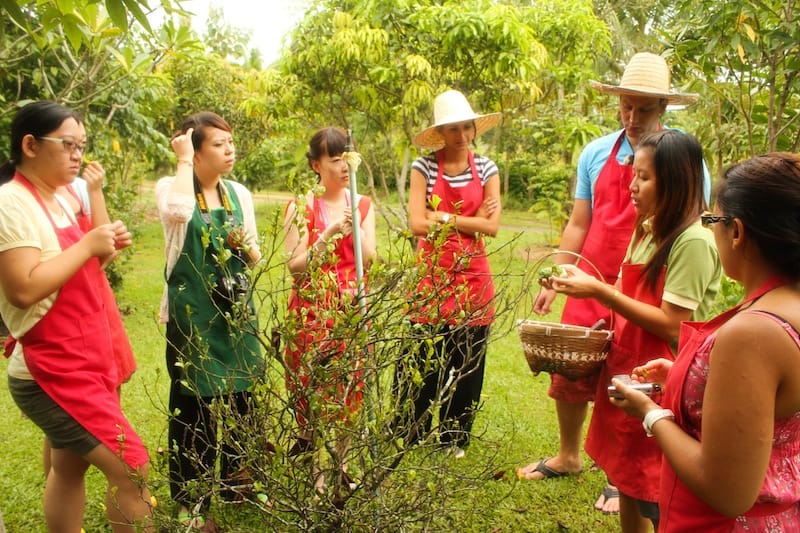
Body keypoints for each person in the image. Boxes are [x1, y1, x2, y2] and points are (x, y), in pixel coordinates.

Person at [520, 51, 708, 516]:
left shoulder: (683, 160)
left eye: (643, 108)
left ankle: (619, 477)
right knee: (571, 369)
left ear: (663, 107)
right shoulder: (596, 152)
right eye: (626, 106)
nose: (632, 117)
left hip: (649, 282)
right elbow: (580, 221)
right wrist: (561, 274)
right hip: (597, 272)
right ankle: (571, 455)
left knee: (632, 378)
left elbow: (692, 224)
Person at [540, 129, 721, 531]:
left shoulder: (693, 242)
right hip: (627, 373)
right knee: (627, 481)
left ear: (675, 181)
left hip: (661, 381)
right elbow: (625, 295)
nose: (631, 186)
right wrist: (592, 300)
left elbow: (673, 322)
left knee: (655, 489)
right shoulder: (646, 229)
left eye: (644, 178)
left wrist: (600, 292)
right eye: (632, 174)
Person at [612, 153, 800, 531]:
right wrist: (688, 378)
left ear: (737, 232)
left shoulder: (753, 333)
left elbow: (727, 491)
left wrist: (651, 413)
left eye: (714, 220)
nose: (709, 230)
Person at [0, 100, 152, 531]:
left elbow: (81, 273)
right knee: (132, 468)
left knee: (68, 468)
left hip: (83, 357)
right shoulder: (11, 203)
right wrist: (87, 245)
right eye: (67, 144)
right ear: (30, 145)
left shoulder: (62, 197)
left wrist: (101, 246)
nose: (77, 155)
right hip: (50, 368)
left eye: (81, 145)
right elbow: (24, 289)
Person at [156, 111, 263, 528]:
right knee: (193, 403)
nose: (229, 149)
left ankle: (238, 481)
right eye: (218, 144)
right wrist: (182, 162)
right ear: (194, 151)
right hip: (192, 314)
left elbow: (253, 253)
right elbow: (180, 213)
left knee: (242, 397)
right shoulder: (172, 185)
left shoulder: (240, 193)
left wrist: (247, 249)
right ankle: (191, 498)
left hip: (235, 312)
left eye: (230, 142)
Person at [398, 88, 502, 458]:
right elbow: (415, 223)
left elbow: (492, 228)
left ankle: (454, 437)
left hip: (474, 274)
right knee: (422, 351)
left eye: (466, 128)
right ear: (440, 132)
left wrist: (442, 217)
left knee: (467, 359)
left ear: (474, 128)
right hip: (431, 273)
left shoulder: (488, 168)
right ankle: (411, 428)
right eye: (452, 129)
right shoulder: (422, 167)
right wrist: (471, 221)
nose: (461, 136)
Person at [283, 126, 376, 497]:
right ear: (315, 165)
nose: (341, 166)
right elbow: (295, 265)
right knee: (312, 389)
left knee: (350, 390)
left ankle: (339, 463)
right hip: (311, 312)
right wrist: (328, 235)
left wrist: (356, 227)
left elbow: (369, 260)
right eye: (334, 160)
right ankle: (314, 467)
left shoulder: (364, 203)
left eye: (346, 159)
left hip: (351, 312)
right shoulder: (300, 206)